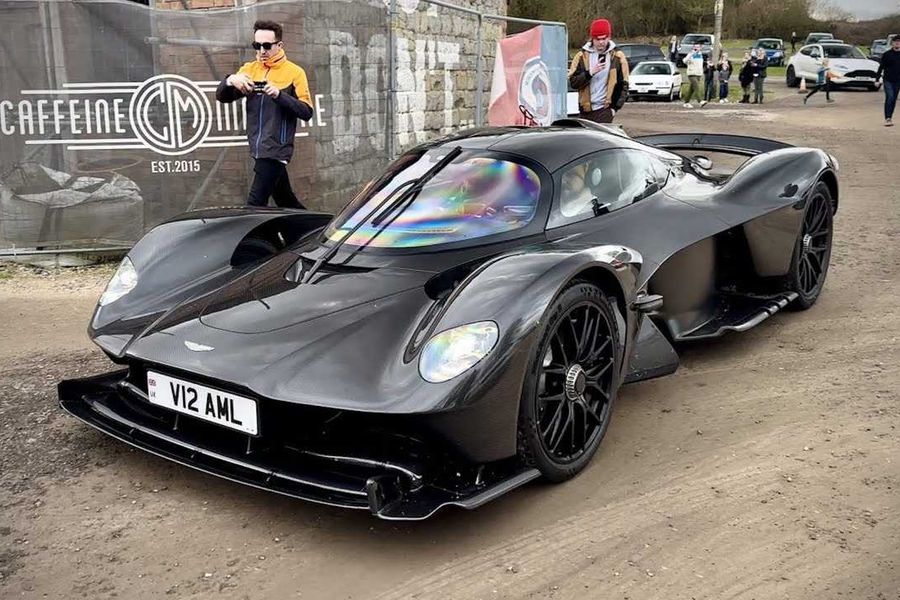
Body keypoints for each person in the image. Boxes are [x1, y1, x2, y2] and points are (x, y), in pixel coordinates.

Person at [216, 20, 313, 208]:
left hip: (277, 149)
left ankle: (249, 238)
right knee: (286, 200)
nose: (261, 51)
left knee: (254, 205)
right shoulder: (249, 70)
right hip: (257, 147)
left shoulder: (295, 72)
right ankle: (318, 230)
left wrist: (279, 95)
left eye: (267, 46)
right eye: (257, 45)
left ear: (279, 45)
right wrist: (230, 80)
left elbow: (306, 111)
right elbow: (222, 97)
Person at [568, 18, 630, 123]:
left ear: (609, 37)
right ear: (592, 38)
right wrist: (590, 73)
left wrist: (614, 108)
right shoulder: (581, 56)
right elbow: (573, 83)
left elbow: (624, 84)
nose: (601, 42)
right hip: (585, 110)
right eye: (597, 39)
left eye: (604, 39)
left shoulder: (618, 57)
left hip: (604, 110)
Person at [876, 34, 900, 126]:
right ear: (892, 43)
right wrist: (877, 79)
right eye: (896, 42)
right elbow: (881, 67)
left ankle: (890, 116)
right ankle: (888, 118)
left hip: (898, 80)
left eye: (899, 42)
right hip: (888, 80)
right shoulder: (887, 54)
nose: (897, 43)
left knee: (893, 99)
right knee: (889, 97)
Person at [682, 44, 705, 108]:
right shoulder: (690, 54)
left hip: (698, 74)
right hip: (692, 73)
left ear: (700, 48)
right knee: (696, 87)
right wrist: (691, 55)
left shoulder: (700, 55)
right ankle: (700, 101)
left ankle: (686, 102)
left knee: (691, 89)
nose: (697, 48)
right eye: (695, 47)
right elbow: (684, 61)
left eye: (698, 47)